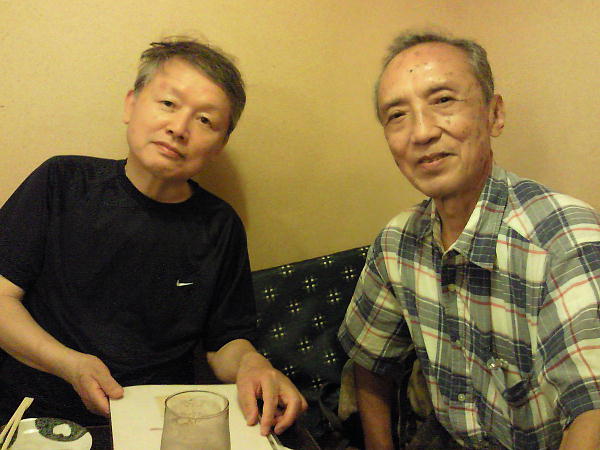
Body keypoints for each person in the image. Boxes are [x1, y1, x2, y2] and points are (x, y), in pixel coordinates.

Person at [0, 37, 307, 435]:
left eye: (205, 120)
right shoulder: (62, 181)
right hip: (34, 411)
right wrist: (68, 364)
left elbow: (225, 343)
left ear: (220, 144)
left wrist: (253, 364)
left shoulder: (220, 225)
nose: (178, 128)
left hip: (158, 422)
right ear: (131, 104)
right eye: (168, 103)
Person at [338, 31, 600, 450]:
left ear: (494, 114)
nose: (421, 132)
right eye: (397, 115)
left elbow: (592, 409)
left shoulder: (562, 237)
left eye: (443, 100)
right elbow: (370, 361)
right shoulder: (396, 243)